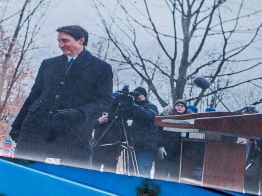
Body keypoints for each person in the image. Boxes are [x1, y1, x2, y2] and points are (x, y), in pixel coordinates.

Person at [9, 25, 112, 166]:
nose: (61, 45)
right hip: (36, 130)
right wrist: (17, 125)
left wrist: (79, 112)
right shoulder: (48, 64)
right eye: (59, 41)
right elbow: (34, 96)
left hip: (75, 134)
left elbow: (104, 101)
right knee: (23, 170)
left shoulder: (101, 68)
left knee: (72, 175)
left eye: (65, 41)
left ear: (81, 40)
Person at [125, 86, 161, 177]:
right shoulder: (131, 108)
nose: (137, 97)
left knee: (143, 174)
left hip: (146, 148)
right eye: (136, 95)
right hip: (133, 147)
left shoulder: (151, 106)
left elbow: (150, 117)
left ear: (145, 96)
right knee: (131, 174)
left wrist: (135, 106)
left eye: (140, 95)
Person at [155, 99, 189, 180]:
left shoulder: (188, 120)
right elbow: (158, 132)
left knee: (174, 177)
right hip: (164, 151)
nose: (180, 107)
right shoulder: (165, 117)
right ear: (174, 107)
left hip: (178, 154)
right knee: (161, 175)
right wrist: (160, 146)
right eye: (178, 105)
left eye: (182, 106)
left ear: (185, 108)